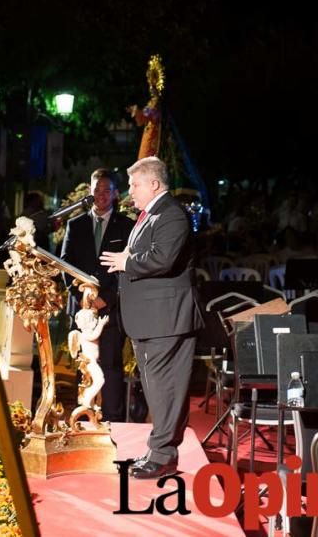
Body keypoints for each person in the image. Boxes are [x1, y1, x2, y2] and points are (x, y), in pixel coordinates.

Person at [100, 156, 202, 480]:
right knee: (158, 388)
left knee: (166, 390)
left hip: (166, 319)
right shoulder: (149, 215)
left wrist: (125, 262)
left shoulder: (171, 215)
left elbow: (163, 258)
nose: (129, 191)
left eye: (134, 184)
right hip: (151, 319)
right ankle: (159, 450)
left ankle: (162, 455)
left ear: (154, 184)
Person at [60, 168, 135, 423]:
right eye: (97, 189)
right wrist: (82, 298)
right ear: (90, 191)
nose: (101, 195)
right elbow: (65, 266)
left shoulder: (128, 226)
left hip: (111, 308)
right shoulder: (75, 225)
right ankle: (84, 416)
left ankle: (112, 421)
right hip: (82, 310)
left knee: (111, 367)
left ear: (115, 194)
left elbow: (129, 271)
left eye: (107, 190)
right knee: (84, 364)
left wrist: (107, 298)